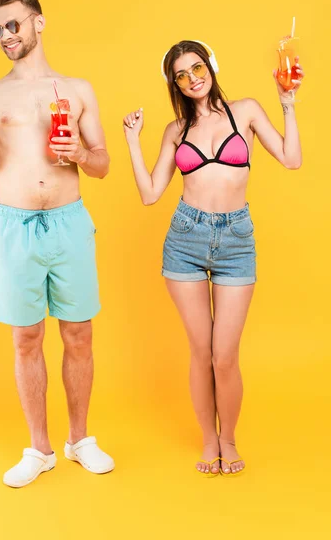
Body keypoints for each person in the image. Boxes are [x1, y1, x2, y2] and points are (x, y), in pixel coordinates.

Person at [0, 0, 114, 488]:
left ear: (39, 23)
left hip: (68, 222)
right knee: (26, 339)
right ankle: (39, 449)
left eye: (14, 25)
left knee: (79, 334)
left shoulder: (78, 89)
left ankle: (80, 440)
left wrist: (80, 157)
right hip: (14, 227)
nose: (6, 36)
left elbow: (103, 163)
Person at [123, 39, 303, 476]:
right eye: (181, 75)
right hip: (185, 239)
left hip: (236, 238)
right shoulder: (174, 131)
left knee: (225, 355)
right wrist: (132, 140)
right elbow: (150, 195)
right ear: (175, 84)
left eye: (197, 67)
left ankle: (229, 438)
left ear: (211, 66)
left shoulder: (246, 111)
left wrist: (287, 104)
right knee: (201, 350)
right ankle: (208, 441)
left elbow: (292, 159)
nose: (192, 78)